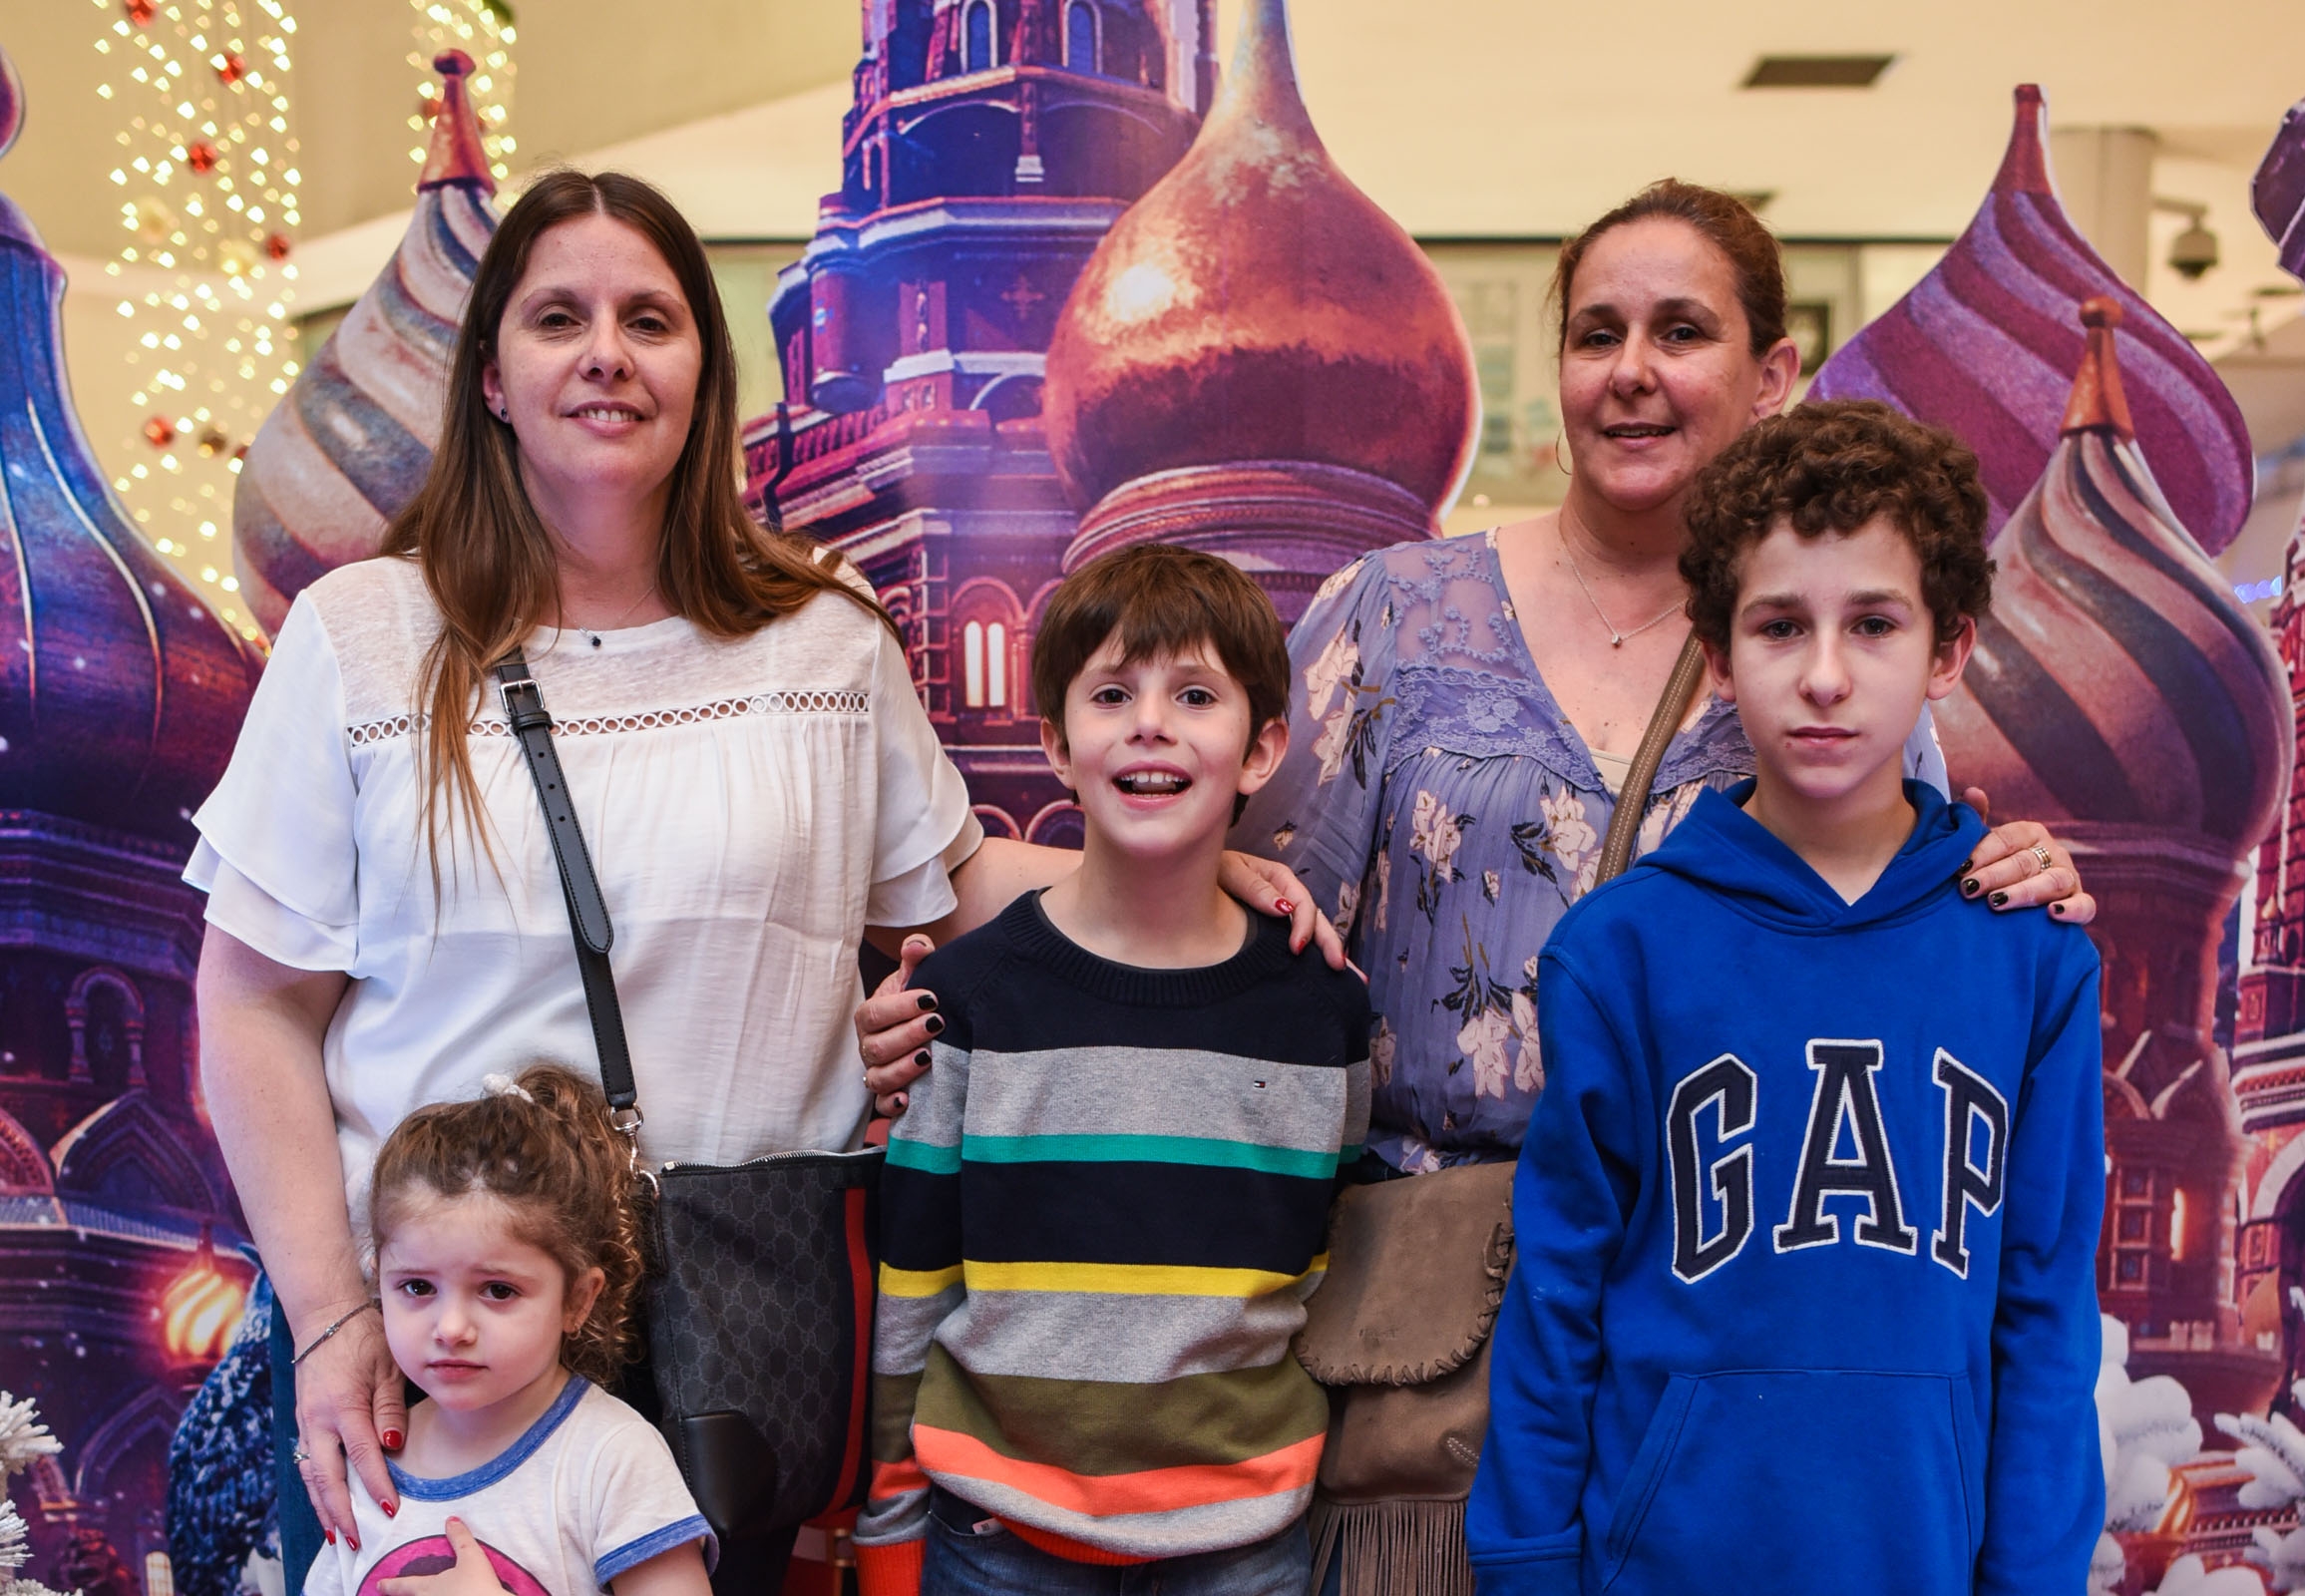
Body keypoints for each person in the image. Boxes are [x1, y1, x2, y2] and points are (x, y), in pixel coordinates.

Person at [190, 170, 1333, 1596]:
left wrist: (1193, 862)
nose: (606, 354)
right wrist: (331, 1316)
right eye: (559, 318)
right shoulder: (364, 638)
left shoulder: (821, 638)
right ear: (491, 375)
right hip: (441, 1339)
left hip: (731, 1325)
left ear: (703, 374)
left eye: (649, 320)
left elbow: (948, 884)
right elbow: (254, 1003)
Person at [856, 180, 2093, 1160]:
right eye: (1597, 334)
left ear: (1770, 377)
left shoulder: (1817, 658)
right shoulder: (1392, 615)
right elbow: (1220, 919)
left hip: (1706, 1283)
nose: (1631, 370)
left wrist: (2012, 879)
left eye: (1680, 332)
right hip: (1422, 1294)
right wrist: (967, 1006)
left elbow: (1894, 947)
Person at [1465, 402, 2105, 1594]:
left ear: (1948, 649)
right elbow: (1557, 1303)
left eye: (1874, 624)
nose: (1823, 675)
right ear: (1716, 654)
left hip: (1926, 1563)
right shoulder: (1621, 953)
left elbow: (2044, 1315)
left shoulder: (2031, 959)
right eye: (1777, 626)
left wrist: (2032, 1577)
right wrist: (1528, 1568)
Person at [853, 545, 1371, 1596]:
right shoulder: (969, 997)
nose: (1150, 724)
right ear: (1055, 743)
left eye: (1194, 695)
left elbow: (1328, 1266)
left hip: (1242, 1544)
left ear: (1261, 748)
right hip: (997, 1540)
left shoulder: (1320, 1011)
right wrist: (893, 1516)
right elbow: (913, 1280)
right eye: (1111, 694)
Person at [305, 1064, 713, 1596]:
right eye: (417, 1287)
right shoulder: (367, 1462)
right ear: (377, 1280)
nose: (451, 1328)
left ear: (578, 1299)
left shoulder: (611, 1458)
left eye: (498, 1290)